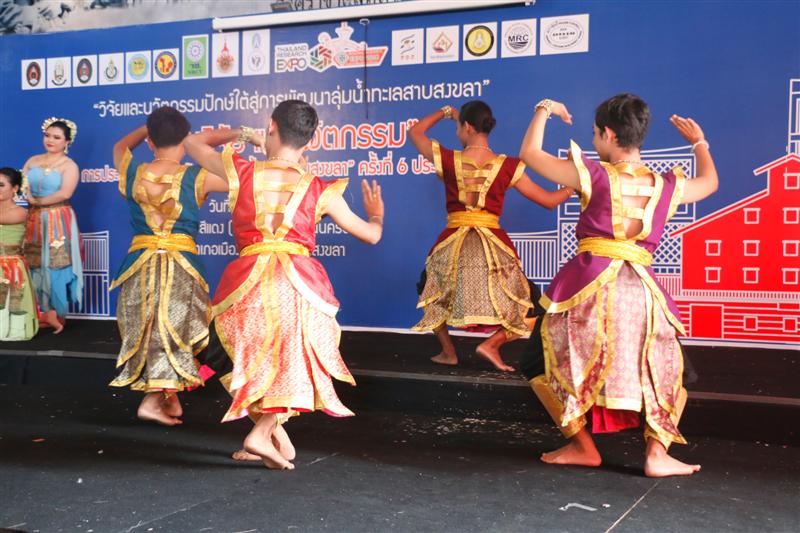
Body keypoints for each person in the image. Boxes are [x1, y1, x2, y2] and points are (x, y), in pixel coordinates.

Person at [518, 94, 718, 477]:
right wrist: (699, 143)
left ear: (609, 134)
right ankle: (656, 454)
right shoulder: (666, 186)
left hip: (587, 290)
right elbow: (710, 182)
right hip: (642, 295)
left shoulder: (593, 175)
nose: (594, 141)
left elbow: (529, 153)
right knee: (667, 371)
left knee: (537, 361)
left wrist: (544, 108)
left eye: (595, 134)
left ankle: (583, 446)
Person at [185, 99, 384, 470]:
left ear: (271, 126)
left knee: (239, 358)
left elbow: (193, 143)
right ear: (311, 140)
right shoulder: (318, 188)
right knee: (292, 361)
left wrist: (246, 134)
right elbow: (371, 235)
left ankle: (269, 434)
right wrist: (376, 215)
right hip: (298, 286)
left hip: (247, 284)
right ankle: (265, 433)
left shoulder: (242, 171)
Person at [408, 101, 573, 372]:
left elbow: (415, 132)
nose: (457, 133)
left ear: (467, 127)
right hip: (495, 246)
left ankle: (449, 352)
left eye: (458, 127)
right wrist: (572, 186)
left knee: (428, 287)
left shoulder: (449, 159)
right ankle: (492, 344)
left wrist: (446, 112)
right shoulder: (507, 166)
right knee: (530, 303)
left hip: (452, 244)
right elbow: (549, 200)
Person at [108, 106, 228, 426]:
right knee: (176, 327)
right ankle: (152, 399)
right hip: (180, 265)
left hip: (140, 263)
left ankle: (168, 396)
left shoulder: (133, 172)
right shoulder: (196, 176)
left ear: (150, 141)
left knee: (153, 327)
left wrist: (147, 129)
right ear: (185, 140)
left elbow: (120, 146)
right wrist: (229, 136)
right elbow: (237, 178)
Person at [21, 117, 83, 328]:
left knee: (56, 263)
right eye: (47, 135)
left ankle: (58, 313)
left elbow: (65, 193)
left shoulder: (69, 165)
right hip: (33, 217)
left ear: (67, 142)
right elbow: (23, 184)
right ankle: (40, 312)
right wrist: (29, 197)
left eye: (56, 137)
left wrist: (37, 201)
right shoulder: (33, 160)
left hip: (57, 218)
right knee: (34, 261)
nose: (50, 140)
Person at [0, 167, 61, 340]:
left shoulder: (20, 212)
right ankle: (46, 317)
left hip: (10, 267)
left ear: (15, 188)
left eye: (1, 185)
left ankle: (45, 317)